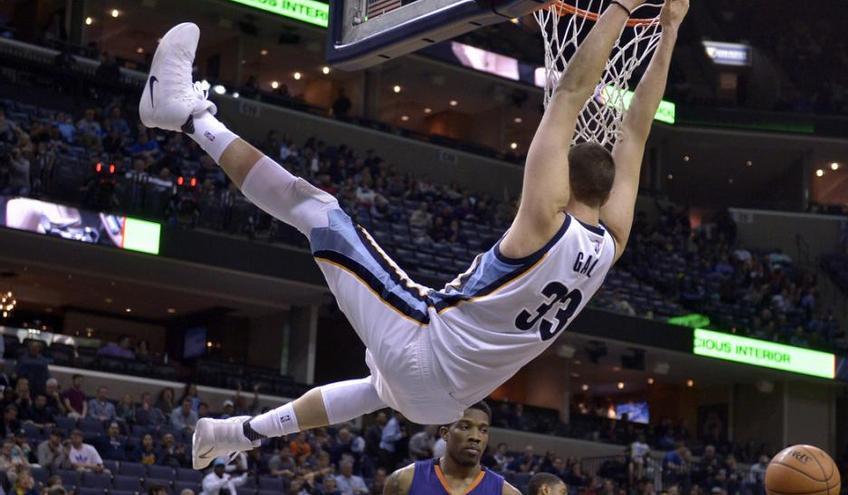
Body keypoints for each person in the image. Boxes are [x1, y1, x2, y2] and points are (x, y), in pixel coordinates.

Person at [139, 2, 691, 466]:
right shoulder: (612, 245)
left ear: (563, 178)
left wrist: (624, 9)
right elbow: (636, 133)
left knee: (320, 212)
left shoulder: (543, 220)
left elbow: (573, 96)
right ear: (606, 190)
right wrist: (666, 34)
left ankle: (185, 115)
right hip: (445, 400)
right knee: (371, 389)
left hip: (424, 350)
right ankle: (232, 436)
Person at [382, 402, 518, 494]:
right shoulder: (403, 481)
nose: (475, 437)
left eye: (483, 430)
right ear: (445, 433)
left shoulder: (505, 492)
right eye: (465, 427)